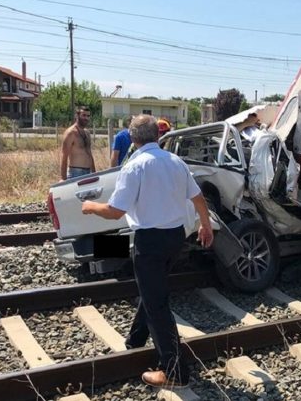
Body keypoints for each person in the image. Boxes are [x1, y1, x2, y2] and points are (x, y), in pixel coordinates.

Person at [81, 115, 214, 389]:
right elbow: (198, 198)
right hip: (175, 238)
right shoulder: (175, 161)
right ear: (157, 135)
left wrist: (90, 207)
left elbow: (116, 211)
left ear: (132, 139)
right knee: (152, 290)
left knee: (157, 304)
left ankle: (175, 371)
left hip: (150, 241)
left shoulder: (135, 166)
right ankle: (136, 340)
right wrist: (205, 225)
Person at [60, 106, 95, 180]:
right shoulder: (70, 133)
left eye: (88, 116)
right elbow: (64, 156)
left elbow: (90, 154)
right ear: (77, 116)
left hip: (88, 173)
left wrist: (94, 174)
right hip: (75, 173)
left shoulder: (87, 133)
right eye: (84, 115)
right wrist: (63, 179)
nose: (86, 118)